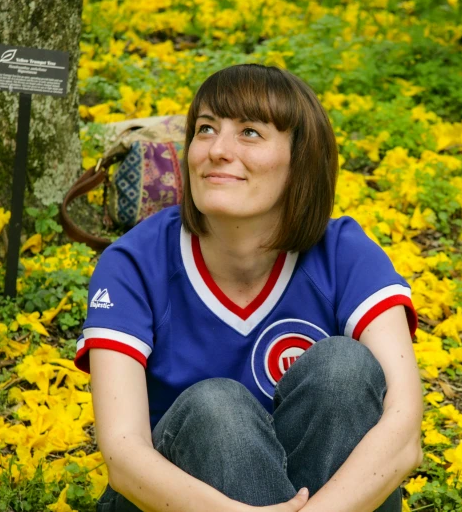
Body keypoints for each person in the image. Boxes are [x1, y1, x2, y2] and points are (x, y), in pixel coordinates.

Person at [75, 64, 424, 512]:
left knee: (346, 367)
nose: (217, 150)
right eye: (205, 129)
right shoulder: (133, 264)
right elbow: (123, 455)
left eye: (250, 133)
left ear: (301, 158)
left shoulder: (344, 253)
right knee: (216, 408)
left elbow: (403, 429)